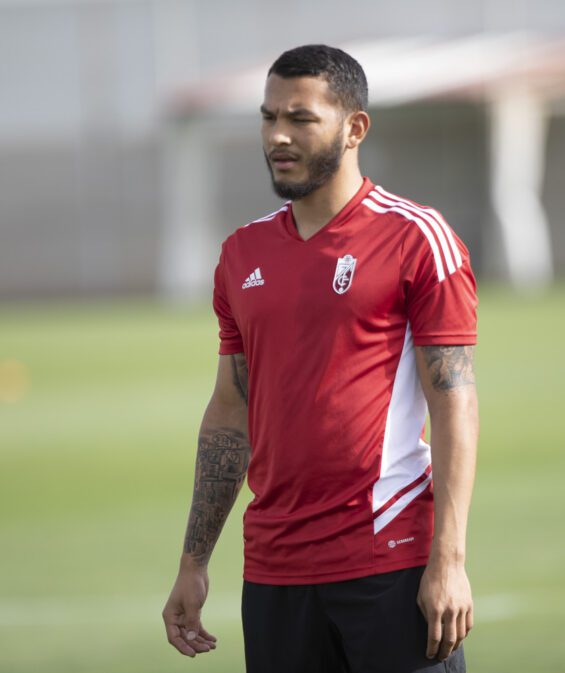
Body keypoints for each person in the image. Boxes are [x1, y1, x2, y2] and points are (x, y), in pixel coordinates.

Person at [162, 44, 479, 673]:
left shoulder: (417, 238)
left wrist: (449, 560)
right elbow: (231, 412)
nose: (278, 136)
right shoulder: (241, 255)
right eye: (268, 117)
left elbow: (455, 402)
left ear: (354, 126)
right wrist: (194, 563)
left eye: (301, 119)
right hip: (276, 575)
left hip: (389, 564)